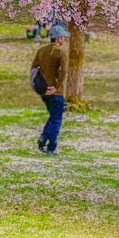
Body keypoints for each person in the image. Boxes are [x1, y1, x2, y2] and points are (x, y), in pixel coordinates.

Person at [31, 24, 70, 154]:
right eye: (63, 37)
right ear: (59, 39)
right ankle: (50, 146)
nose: (64, 39)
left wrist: (39, 87)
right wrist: (57, 86)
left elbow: (34, 68)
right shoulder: (61, 53)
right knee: (56, 118)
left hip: (44, 91)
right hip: (56, 91)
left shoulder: (41, 51)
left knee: (53, 116)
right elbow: (64, 71)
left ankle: (46, 139)